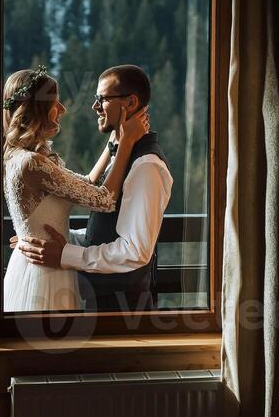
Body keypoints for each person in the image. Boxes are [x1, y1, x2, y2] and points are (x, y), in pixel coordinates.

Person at [15, 64, 172, 312]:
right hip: (101, 302)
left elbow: (135, 251)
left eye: (102, 99)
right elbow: (106, 229)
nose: (95, 106)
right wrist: (44, 238)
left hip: (122, 309)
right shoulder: (122, 156)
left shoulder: (146, 166)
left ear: (130, 103)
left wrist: (67, 254)